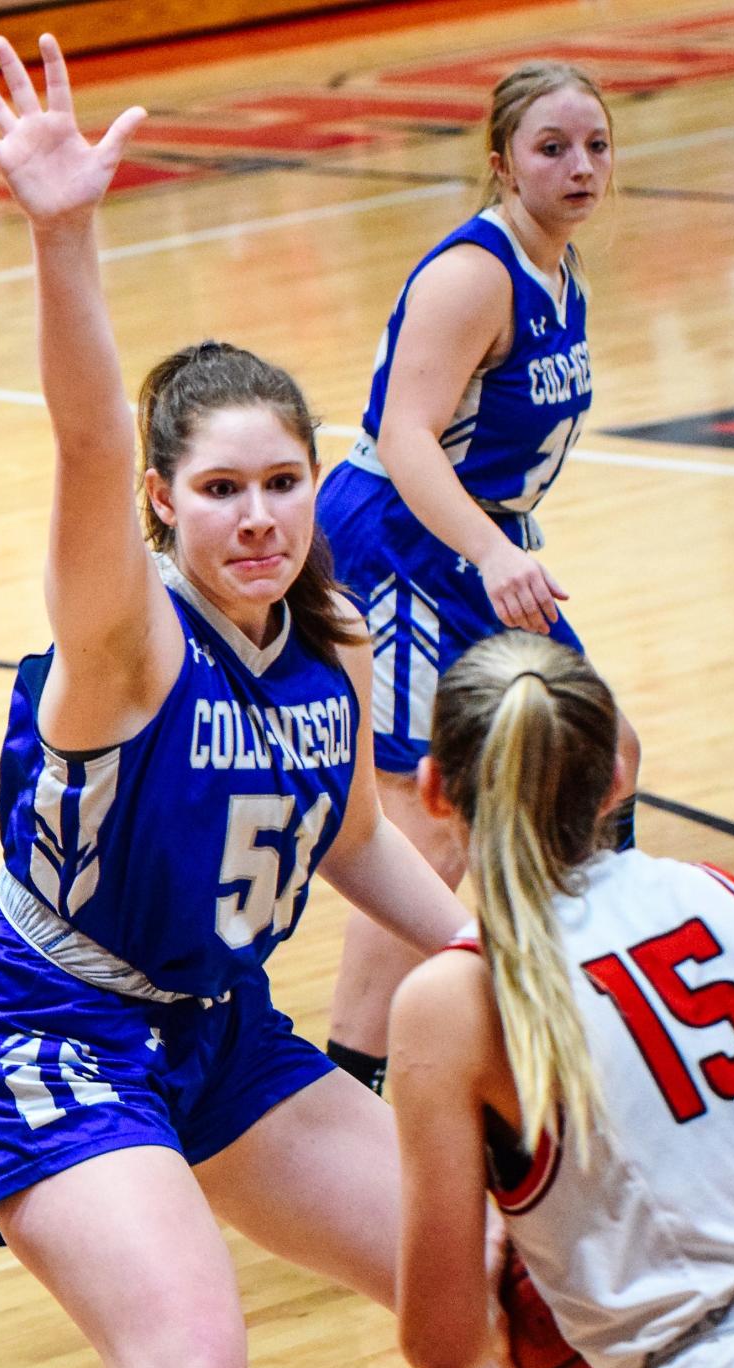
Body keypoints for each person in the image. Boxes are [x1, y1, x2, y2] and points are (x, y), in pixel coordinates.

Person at [0, 35, 530, 1368]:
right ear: (161, 500)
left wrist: (497, 962)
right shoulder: (126, 639)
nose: (255, 515)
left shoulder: (330, 645)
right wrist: (63, 235)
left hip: (220, 1029)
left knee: (485, 1287)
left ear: (318, 484)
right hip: (48, 1022)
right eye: (218, 489)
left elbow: (356, 841)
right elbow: (81, 440)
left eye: (282, 481)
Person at [315, 60, 641, 1096]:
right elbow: (406, 436)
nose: (579, 165)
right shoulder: (475, 273)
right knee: (430, 822)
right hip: (403, 543)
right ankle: (361, 1071)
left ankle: (589, 997)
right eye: (553, 148)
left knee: (604, 756)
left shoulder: (561, 267)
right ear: (501, 164)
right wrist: (495, 552)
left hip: (472, 541)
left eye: (593, 145)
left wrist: (498, 543)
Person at [387, 628, 734, 1368]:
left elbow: (443, 1347)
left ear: (435, 789)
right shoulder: (724, 893)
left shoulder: (454, 1000)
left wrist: (512, 1295)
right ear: (617, 776)